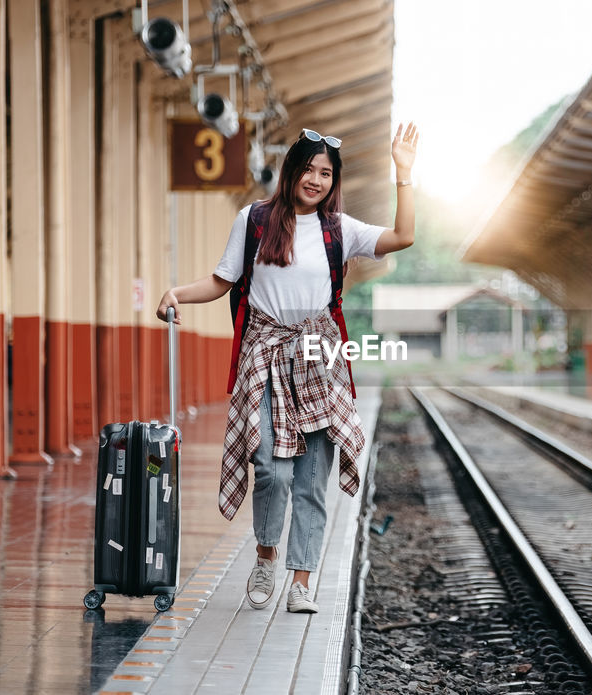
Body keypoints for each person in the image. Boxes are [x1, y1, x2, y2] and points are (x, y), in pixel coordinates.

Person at [156, 123, 419, 613]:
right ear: (291, 170)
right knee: (270, 469)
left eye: (326, 173)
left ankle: (300, 581)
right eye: (309, 169)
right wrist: (176, 292)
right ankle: (265, 553)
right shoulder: (254, 220)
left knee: (311, 477)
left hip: (320, 358)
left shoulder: (340, 228)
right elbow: (220, 281)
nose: (316, 180)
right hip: (266, 354)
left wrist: (403, 173)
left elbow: (404, 236)